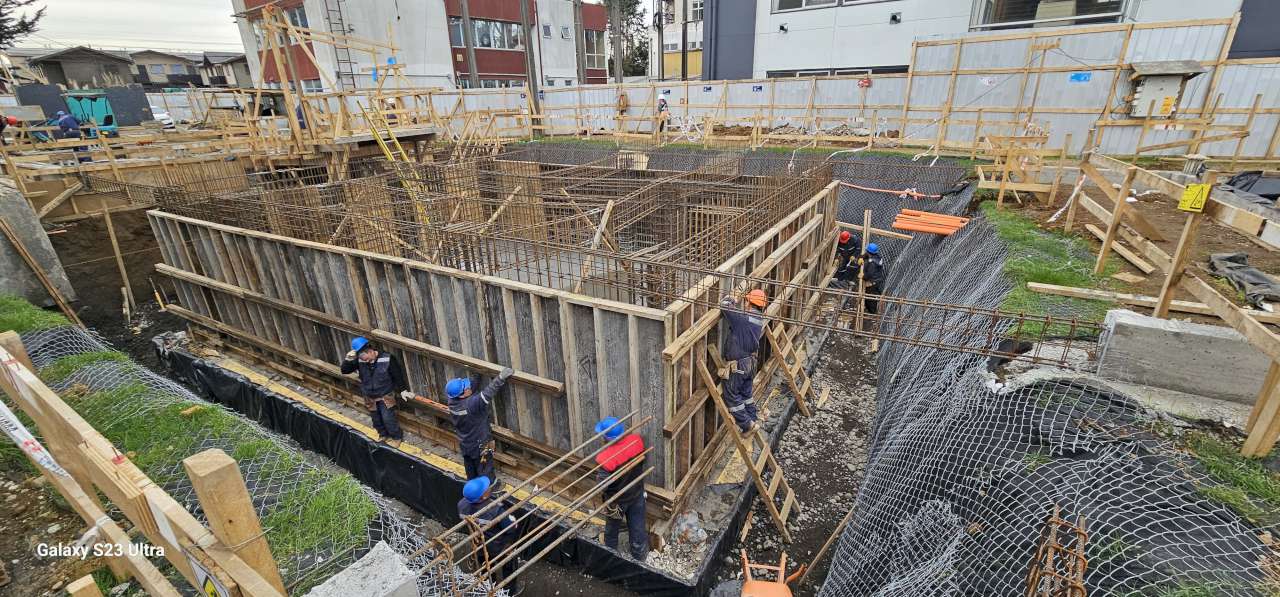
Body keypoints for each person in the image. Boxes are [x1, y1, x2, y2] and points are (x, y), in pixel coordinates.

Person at [446, 367, 513, 482]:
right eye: (466, 387)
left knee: (470, 466)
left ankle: (472, 483)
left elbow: (470, 387)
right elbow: (488, 393)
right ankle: (490, 487)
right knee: (485, 466)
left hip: (465, 442)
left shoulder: (452, 401)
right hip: (480, 444)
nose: (468, 387)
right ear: (462, 394)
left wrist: (477, 373)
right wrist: (501, 378)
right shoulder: (472, 404)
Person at [594, 417, 648, 561]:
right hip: (636, 492)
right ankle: (639, 555)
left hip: (617, 501)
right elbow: (643, 460)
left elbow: (602, 485)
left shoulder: (605, 459)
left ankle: (609, 554)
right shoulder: (637, 441)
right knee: (637, 526)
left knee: (612, 528)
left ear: (605, 438)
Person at [457, 476, 522, 594]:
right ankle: (509, 591)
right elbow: (511, 528)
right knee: (508, 564)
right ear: (483, 496)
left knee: (485, 566)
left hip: (479, 544)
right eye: (486, 488)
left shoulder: (462, 504)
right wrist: (513, 521)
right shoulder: (495, 509)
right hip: (499, 545)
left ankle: (488, 587)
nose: (488, 487)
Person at [340, 337, 409, 445]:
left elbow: (398, 376)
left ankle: (396, 437)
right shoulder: (360, 360)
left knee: (388, 418)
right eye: (363, 359)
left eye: (367, 358)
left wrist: (403, 390)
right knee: (376, 419)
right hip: (369, 396)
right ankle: (383, 435)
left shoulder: (388, 358)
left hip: (386, 395)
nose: (365, 361)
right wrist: (348, 360)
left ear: (371, 351)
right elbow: (344, 370)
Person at [719, 289, 767, 434]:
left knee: (731, 395)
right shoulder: (758, 319)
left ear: (749, 303)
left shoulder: (743, 318)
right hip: (750, 363)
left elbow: (724, 304)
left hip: (739, 365)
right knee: (746, 395)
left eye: (746, 301)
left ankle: (747, 425)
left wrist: (732, 299)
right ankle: (753, 419)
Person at [853, 243, 886, 351]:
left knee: (869, 297)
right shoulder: (876, 256)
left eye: (867, 251)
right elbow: (866, 256)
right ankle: (871, 307)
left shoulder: (872, 263)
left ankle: (872, 312)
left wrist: (863, 276)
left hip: (873, 281)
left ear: (869, 252)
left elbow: (870, 274)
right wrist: (861, 258)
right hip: (877, 279)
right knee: (871, 294)